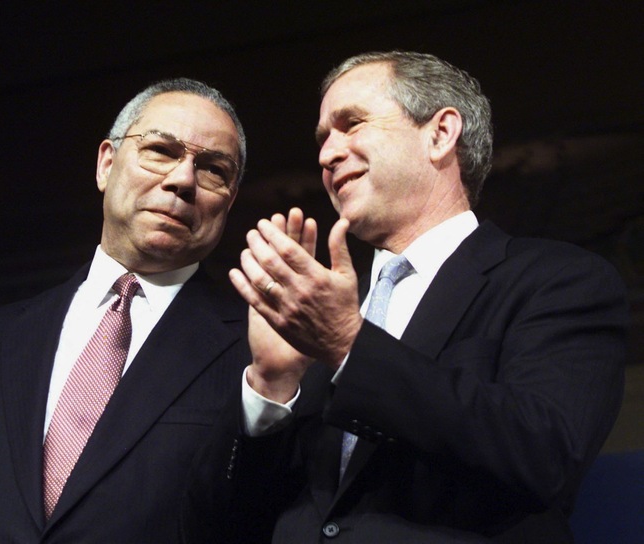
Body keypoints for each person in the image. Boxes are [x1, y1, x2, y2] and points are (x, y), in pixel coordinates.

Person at [181, 51, 630, 543]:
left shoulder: (557, 281)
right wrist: (271, 386)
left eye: (351, 124)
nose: (327, 154)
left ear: (440, 134)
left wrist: (350, 347)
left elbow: (545, 456)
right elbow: (227, 522)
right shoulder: (318, 312)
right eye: (323, 139)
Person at [0, 78, 251, 542]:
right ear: (106, 164)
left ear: (230, 202)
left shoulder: (258, 351)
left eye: (214, 168)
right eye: (160, 150)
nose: (182, 180)